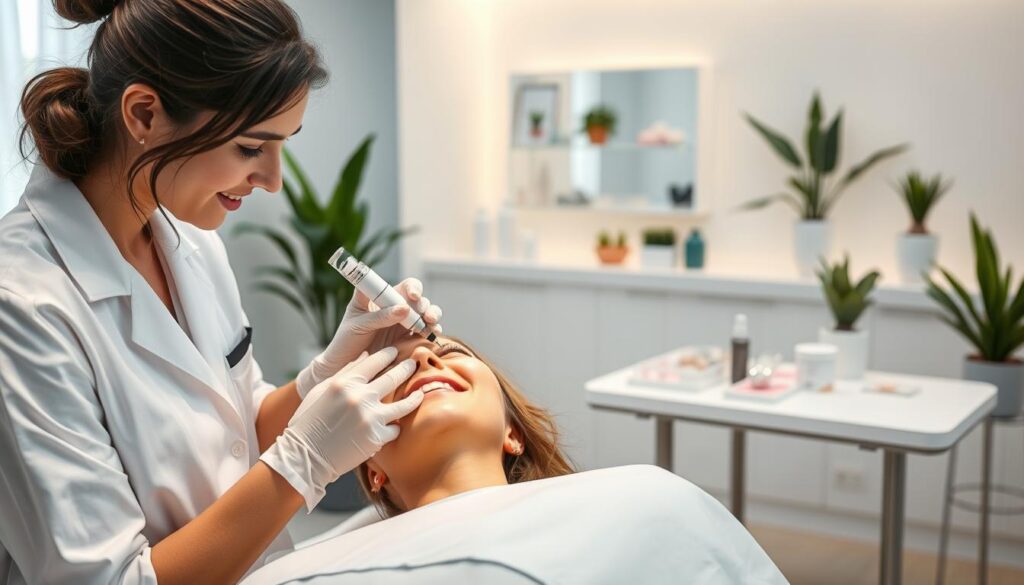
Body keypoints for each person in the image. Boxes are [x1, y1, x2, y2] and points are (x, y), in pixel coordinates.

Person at [0, 1, 439, 583]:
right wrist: (299, 466)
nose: (273, 180)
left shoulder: (191, 242)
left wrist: (333, 366)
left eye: (283, 145)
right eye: (251, 148)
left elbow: (239, 429)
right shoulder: (22, 303)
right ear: (144, 114)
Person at [243, 335, 789, 585]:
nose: (429, 357)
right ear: (371, 465)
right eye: (398, 376)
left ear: (512, 434)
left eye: (451, 353)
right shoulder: (297, 574)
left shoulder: (644, 495)